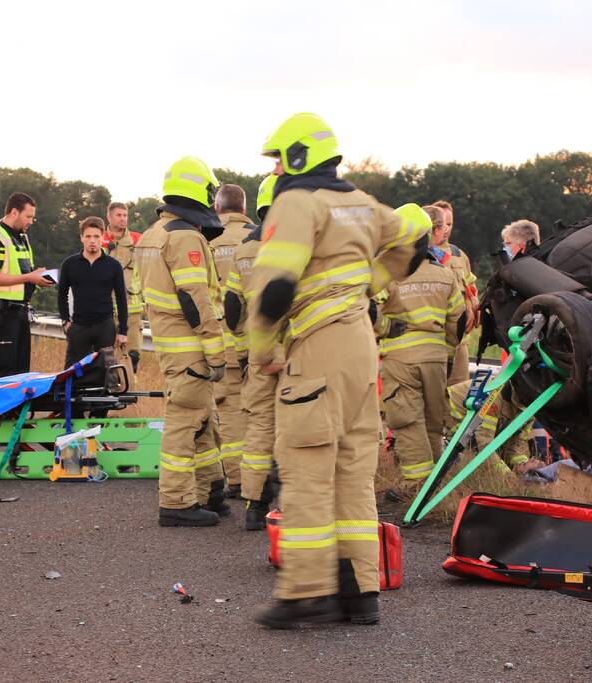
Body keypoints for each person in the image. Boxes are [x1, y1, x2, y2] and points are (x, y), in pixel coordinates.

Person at [247, 113, 429, 628]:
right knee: (353, 469)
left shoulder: (296, 202)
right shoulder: (362, 204)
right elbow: (414, 237)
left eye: (280, 157)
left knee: (305, 467)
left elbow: (274, 287)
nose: (277, 168)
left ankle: (305, 594)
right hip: (359, 344)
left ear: (300, 156)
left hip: (317, 346)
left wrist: (262, 351)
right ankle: (359, 592)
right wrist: (370, 280)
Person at [134, 156, 230, 527]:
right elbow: (195, 299)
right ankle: (176, 501)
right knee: (185, 423)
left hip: (170, 345)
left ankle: (210, 490)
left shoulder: (153, 233)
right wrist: (216, 350)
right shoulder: (185, 236)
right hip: (190, 346)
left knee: (203, 421)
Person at [376, 203, 465, 502]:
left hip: (401, 362)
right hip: (437, 359)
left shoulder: (389, 273)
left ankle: (418, 490)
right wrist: (447, 350)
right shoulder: (444, 273)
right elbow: (459, 320)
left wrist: (389, 327)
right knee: (432, 422)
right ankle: (434, 489)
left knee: (407, 422)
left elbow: (369, 311)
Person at [224, 174, 279, 530]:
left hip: (258, 355)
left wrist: (245, 347)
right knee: (303, 428)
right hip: (298, 355)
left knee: (259, 428)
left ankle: (254, 507)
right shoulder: (303, 244)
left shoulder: (243, 250)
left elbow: (231, 306)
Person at [0, 192, 53, 377]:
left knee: (20, 374)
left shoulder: (21, 238)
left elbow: (20, 273)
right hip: (1, 314)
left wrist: (37, 277)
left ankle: (15, 408)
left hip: (19, 313)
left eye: (33, 217)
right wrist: (29, 278)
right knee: (3, 373)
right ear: (14, 212)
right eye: (28, 216)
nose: (31, 221)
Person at [211, 184, 254, 497]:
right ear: (244, 207)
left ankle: (237, 480)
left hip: (222, 341)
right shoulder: (260, 238)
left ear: (217, 208)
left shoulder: (207, 239)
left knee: (229, 411)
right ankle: (264, 481)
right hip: (261, 340)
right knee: (264, 412)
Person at [57, 217, 128, 396]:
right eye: (88, 236)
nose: (92, 241)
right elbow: (62, 294)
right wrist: (66, 321)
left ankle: (100, 417)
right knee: (72, 371)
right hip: (79, 326)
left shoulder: (113, 265)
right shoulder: (69, 264)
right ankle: (70, 412)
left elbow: (121, 298)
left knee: (107, 372)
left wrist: (123, 331)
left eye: (96, 236)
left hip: (104, 325)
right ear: (81, 237)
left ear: (103, 237)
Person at [431, 200, 478, 385]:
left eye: (450, 224)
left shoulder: (459, 256)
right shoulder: (420, 254)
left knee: (458, 393)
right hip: (434, 340)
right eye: (442, 225)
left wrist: (473, 304)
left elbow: (471, 288)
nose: (446, 229)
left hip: (459, 343)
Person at [103, 202, 144, 374]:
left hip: (132, 309)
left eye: (125, 215)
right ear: (109, 217)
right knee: (106, 356)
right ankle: (108, 393)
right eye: (119, 215)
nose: (123, 219)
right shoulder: (99, 239)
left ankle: (129, 391)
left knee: (132, 355)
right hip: (106, 308)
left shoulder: (137, 240)